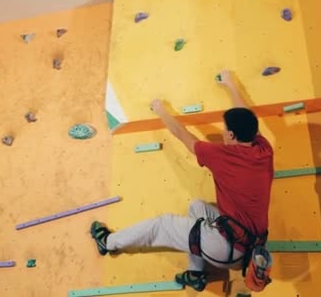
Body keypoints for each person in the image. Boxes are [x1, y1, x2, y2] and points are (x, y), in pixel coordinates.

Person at [91, 70, 274, 292]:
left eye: (225, 130)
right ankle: (196, 273)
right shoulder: (263, 151)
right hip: (250, 246)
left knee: (162, 225)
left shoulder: (222, 155)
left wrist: (160, 109)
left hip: (225, 249)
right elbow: (246, 115)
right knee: (196, 207)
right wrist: (231, 85)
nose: (223, 134)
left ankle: (108, 242)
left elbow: (181, 133)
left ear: (233, 136)